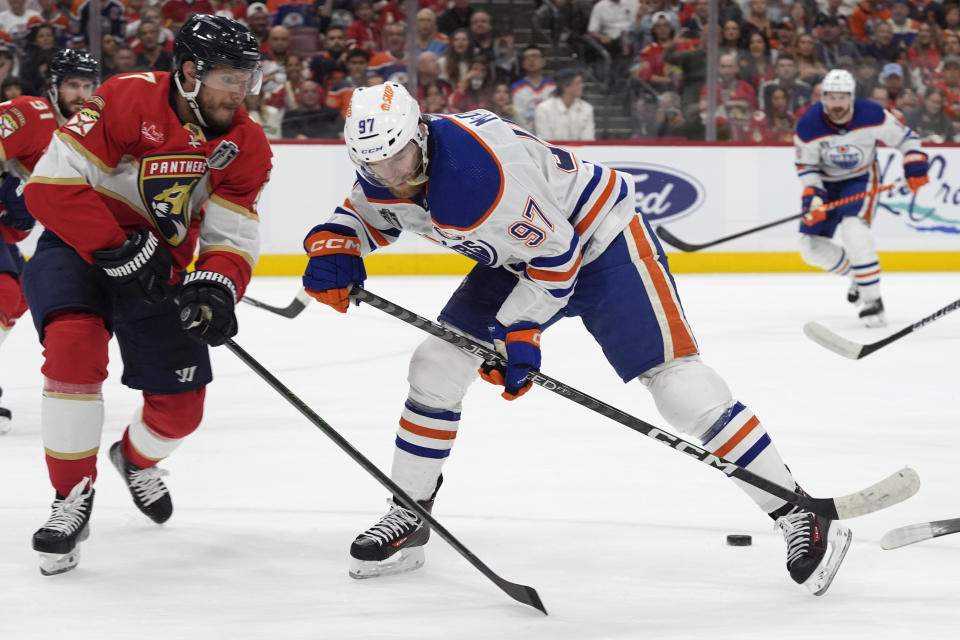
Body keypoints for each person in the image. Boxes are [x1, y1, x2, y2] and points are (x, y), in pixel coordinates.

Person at [301, 80, 854, 596]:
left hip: (600, 242)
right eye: (372, 162)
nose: (389, 173)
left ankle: (797, 509)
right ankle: (411, 512)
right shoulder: (387, 162)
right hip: (522, 253)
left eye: (395, 158)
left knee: (677, 387)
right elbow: (366, 213)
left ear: (418, 134)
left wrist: (516, 335)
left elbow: (558, 260)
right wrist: (335, 245)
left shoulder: (476, 180)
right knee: (434, 366)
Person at [21, 14, 271, 576]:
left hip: (163, 271)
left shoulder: (246, 145)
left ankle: (133, 460)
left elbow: (233, 236)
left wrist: (217, 288)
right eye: (230, 78)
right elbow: (48, 189)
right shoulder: (125, 99)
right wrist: (116, 244)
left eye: (247, 79)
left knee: (181, 410)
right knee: (72, 345)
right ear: (189, 72)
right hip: (79, 249)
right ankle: (70, 498)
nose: (241, 92)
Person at [0, 49, 99, 435]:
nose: (81, 94)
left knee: (18, 294)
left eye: (88, 86)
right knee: (6, 291)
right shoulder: (33, 114)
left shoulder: (87, 133)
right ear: (54, 87)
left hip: (8, 234)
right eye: (73, 85)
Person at [794, 68, 928, 328]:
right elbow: (806, 167)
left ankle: (872, 300)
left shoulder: (872, 114)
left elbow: (907, 138)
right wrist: (814, 195)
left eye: (841, 98)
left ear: (851, 97)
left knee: (854, 230)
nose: (836, 104)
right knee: (810, 248)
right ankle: (860, 276)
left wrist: (914, 165)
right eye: (830, 98)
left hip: (861, 180)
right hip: (825, 185)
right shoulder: (809, 124)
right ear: (823, 98)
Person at [534, 68, 595, 140]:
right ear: (565, 86)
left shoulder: (587, 108)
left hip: (580, 151)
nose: (582, 86)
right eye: (578, 83)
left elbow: (588, 140)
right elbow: (545, 140)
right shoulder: (544, 109)